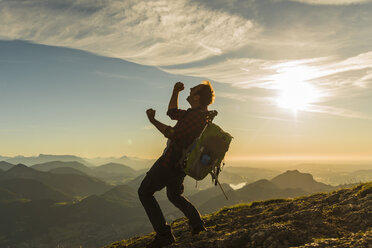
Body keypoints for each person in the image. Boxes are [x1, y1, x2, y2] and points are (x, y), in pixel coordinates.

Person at [138, 81, 215, 248]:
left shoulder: (196, 116)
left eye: (193, 89)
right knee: (174, 195)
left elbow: (173, 134)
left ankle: (164, 235)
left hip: (170, 162)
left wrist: (153, 121)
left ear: (197, 97)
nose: (190, 89)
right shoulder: (196, 113)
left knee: (144, 192)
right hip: (181, 164)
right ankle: (197, 225)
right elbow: (172, 112)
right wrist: (175, 91)